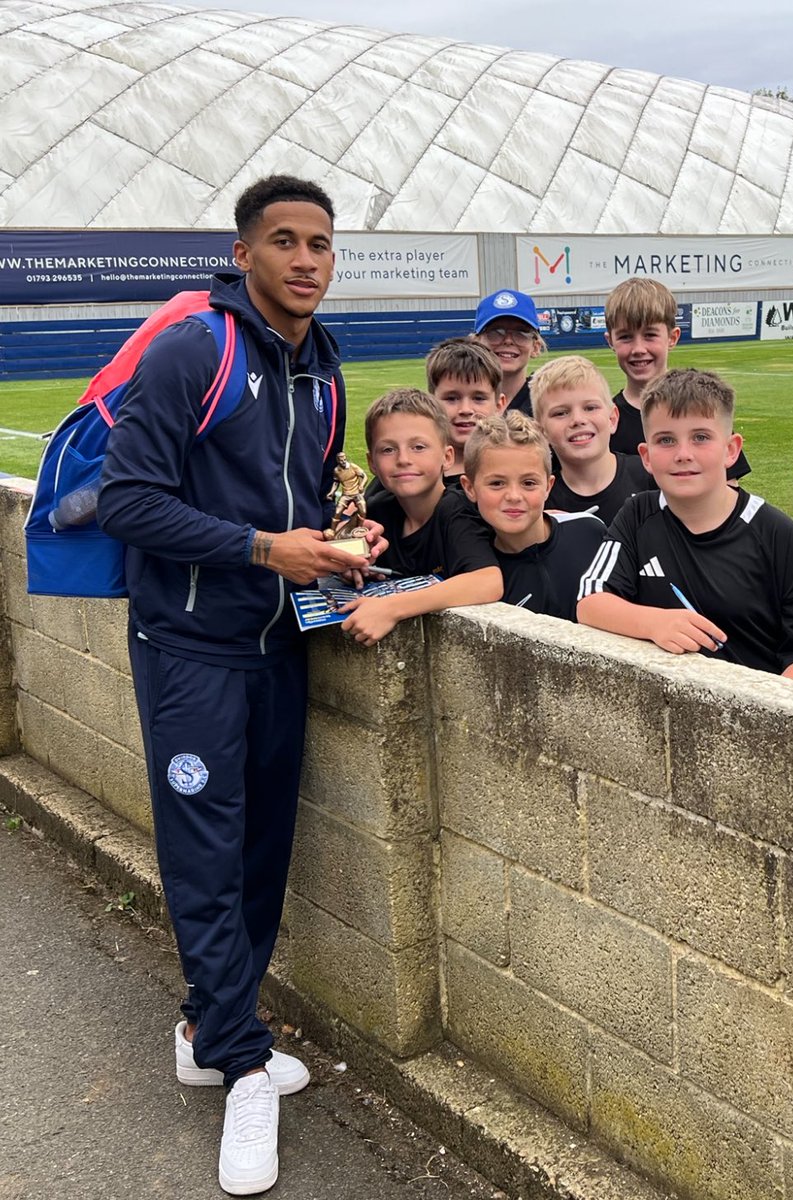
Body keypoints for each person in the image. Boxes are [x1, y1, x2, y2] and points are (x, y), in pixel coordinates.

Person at [96, 175, 377, 1195]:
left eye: (322, 245)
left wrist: (346, 544)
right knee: (206, 852)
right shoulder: (193, 350)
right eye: (286, 242)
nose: (307, 260)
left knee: (260, 846)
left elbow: (309, 502)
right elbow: (127, 501)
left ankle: (202, 1027)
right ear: (244, 251)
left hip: (281, 648)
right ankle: (243, 1064)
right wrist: (264, 549)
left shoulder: (325, 367)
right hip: (190, 649)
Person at [577, 368, 793, 684]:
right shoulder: (637, 515)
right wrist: (653, 622)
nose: (683, 454)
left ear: (731, 449)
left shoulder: (782, 539)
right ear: (646, 456)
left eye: (700, 437)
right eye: (666, 440)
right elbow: (591, 600)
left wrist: (754, 705)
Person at [341, 388, 503, 644]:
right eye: (388, 450)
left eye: (418, 447)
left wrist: (392, 608)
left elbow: (488, 581)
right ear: (372, 463)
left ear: (447, 457)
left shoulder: (455, 510)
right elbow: (345, 555)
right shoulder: (377, 512)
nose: (403, 459)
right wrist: (350, 568)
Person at [462, 410, 607, 622]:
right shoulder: (477, 573)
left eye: (528, 483)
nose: (513, 496)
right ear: (470, 488)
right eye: (497, 483)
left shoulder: (590, 532)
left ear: (548, 486)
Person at [604, 277, 751, 483]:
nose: (638, 349)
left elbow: (729, 487)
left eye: (650, 335)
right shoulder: (606, 423)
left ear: (672, 337)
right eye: (626, 337)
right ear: (610, 341)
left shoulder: (701, 405)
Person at [529, 355, 655, 525]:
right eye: (560, 413)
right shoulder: (539, 499)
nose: (578, 420)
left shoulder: (651, 478)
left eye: (590, 408)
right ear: (542, 432)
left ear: (612, 419)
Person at [426, 337, 506, 483]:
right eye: (451, 398)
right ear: (431, 404)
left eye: (479, 398)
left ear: (499, 405)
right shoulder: (418, 469)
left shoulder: (516, 464)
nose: (466, 410)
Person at [471, 288, 544, 415]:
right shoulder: (461, 403)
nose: (508, 340)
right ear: (476, 343)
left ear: (536, 347)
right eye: (496, 332)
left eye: (521, 333)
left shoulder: (546, 404)